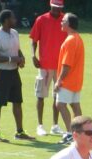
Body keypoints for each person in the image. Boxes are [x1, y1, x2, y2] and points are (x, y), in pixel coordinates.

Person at [0, 9, 35, 142]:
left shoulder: (14, 33)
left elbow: (17, 49)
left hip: (14, 73)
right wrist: (11, 59)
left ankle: (20, 132)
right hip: (0, 73)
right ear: (6, 20)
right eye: (13, 18)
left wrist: (21, 57)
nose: (15, 20)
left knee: (17, 101)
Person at [29, 0, 67, 137]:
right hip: (44, 64)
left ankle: (55, 125)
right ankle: (40, 125)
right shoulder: (41, 19)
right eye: (54, 7)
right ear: (50, 5)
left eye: (59, 8)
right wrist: (33, 56)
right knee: (40, 95)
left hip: (61, 65)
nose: (57, 10)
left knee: (58, 96)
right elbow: (33, 40)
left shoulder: (65, 20)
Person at [55, 13, 85, 145]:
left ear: (69, 24)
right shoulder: (78, 38)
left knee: (60, 104)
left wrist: (59, 80)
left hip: (68, 80)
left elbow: (66, 65)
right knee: (75, 106)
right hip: (76, 79)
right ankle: (79, 133)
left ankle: (69, 133)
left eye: (63, 21)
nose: (61, 22)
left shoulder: (70, 40)